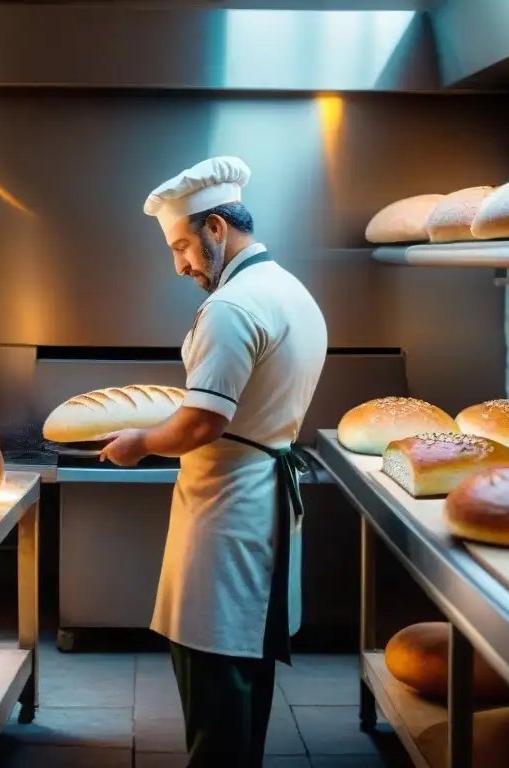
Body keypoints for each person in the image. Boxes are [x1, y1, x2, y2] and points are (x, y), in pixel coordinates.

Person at [100, 156, 328, 766]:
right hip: (263, 495)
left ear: (217, 229)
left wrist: (141, 441)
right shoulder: (291, 290)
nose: (180, 265)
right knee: (247, 670)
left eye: (183, 246)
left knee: (215, 676)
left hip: (228, 513)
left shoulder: (231, 307)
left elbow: (202, 421)